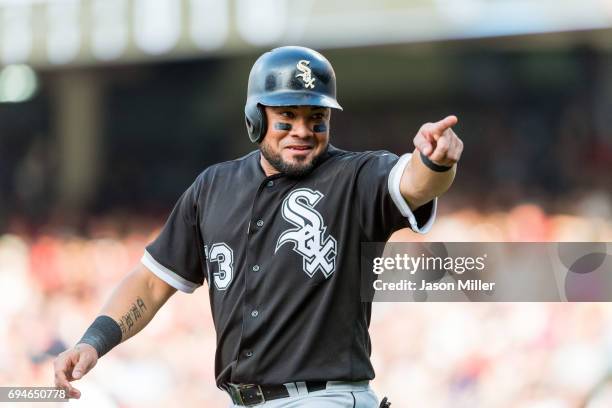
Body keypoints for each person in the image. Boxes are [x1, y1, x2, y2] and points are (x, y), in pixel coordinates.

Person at [53, 46, 464, 407]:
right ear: (256, 117)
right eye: (287, 116)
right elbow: (151, 282)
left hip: (325, 398)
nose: (303, 130)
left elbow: (413, 184)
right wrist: (94, 341)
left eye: (315, 117)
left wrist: (436, 161)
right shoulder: (213, 187)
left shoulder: (356, 177)